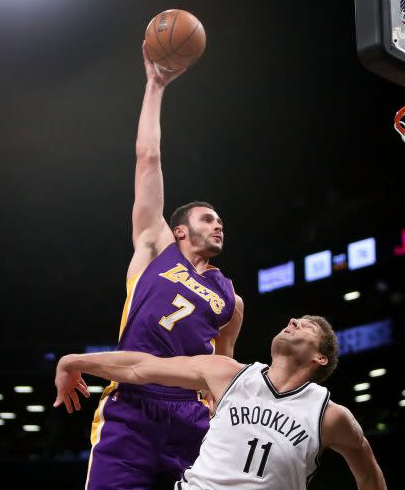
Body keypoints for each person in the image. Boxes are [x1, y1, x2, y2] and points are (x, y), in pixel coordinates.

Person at [76, 41, 244, 490]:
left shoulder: (232, 299)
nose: (218, 224)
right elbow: (147, 158)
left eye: (221, 220)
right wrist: (155, 86)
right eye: (208, 218)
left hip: (189, 420)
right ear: (180, 230)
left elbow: (222, 365)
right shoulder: (154, 247)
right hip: (131, 406)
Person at [55, 316, 387, 490]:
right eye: (293, 320)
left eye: (307, 326)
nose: (293, 322)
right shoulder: (228, 374)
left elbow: (369, 477)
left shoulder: (329, 416)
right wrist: (74, 361)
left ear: (320, 356)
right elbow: (139, 367)